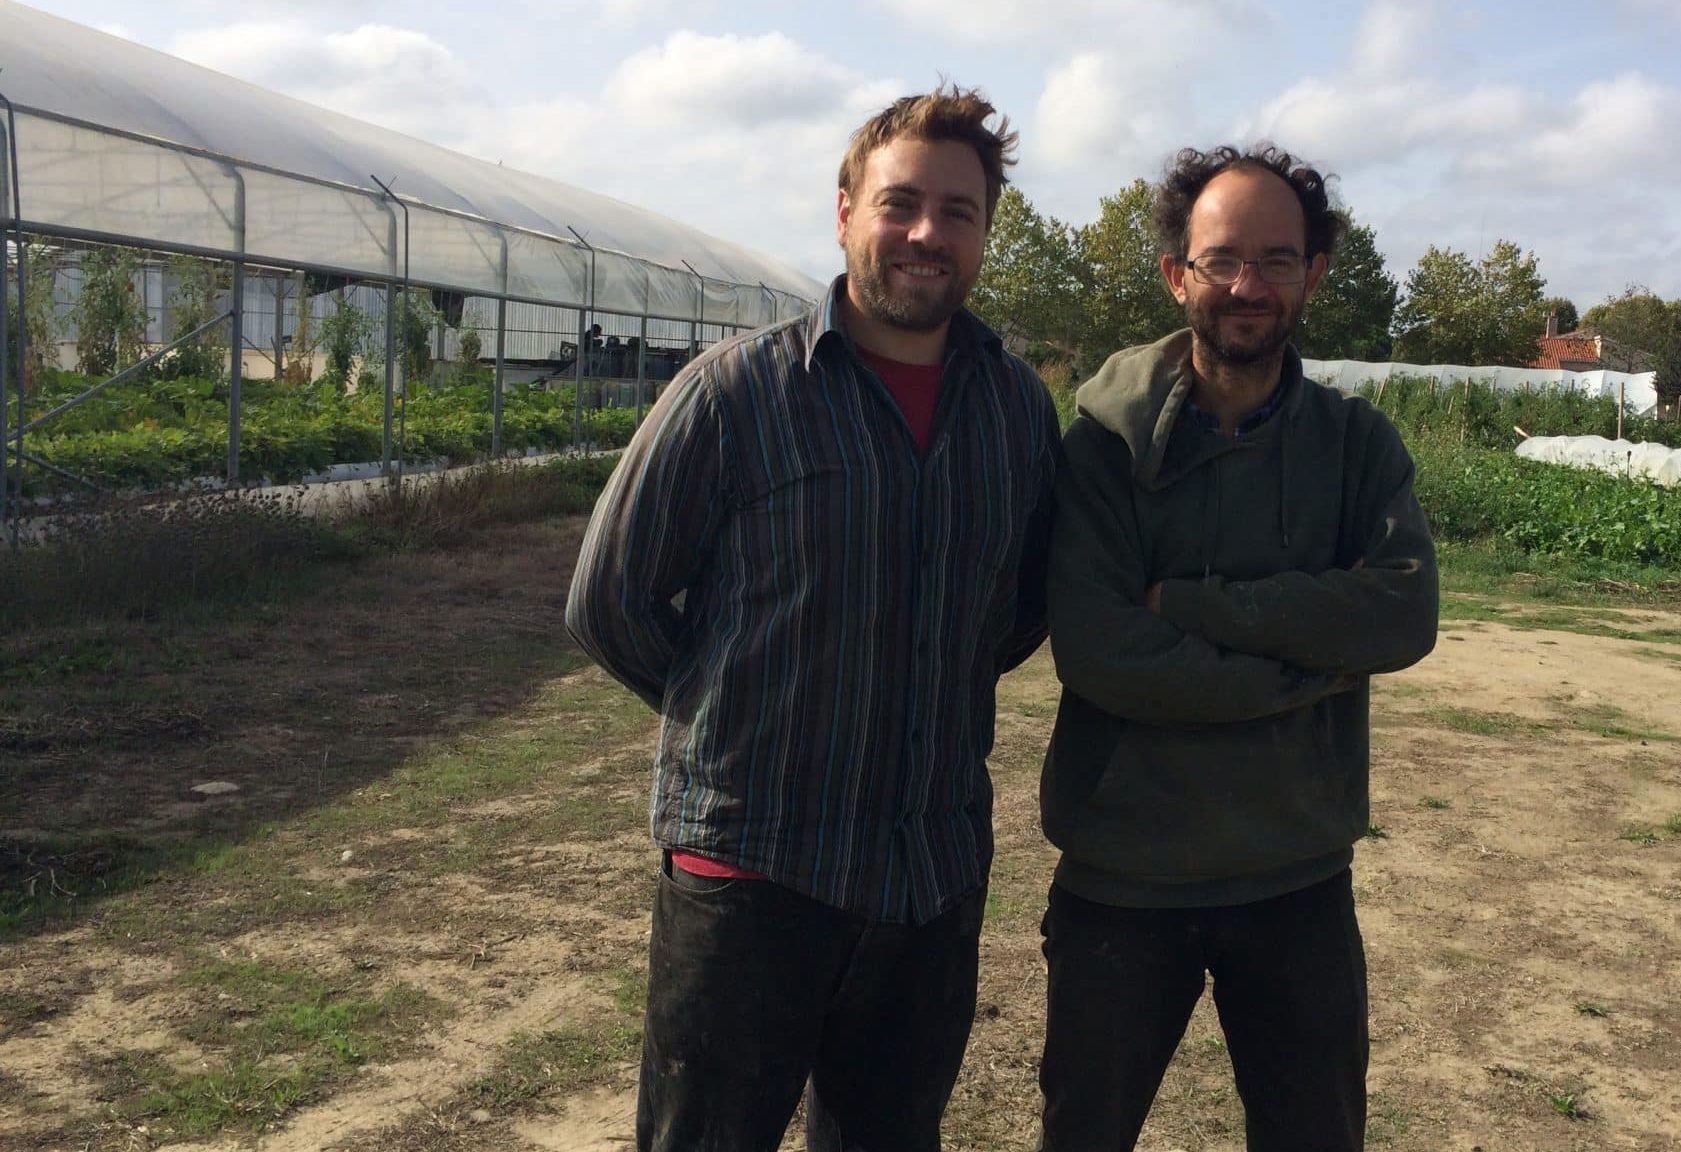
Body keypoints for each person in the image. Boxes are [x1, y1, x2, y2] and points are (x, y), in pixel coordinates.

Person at [564, 85, 1058, 1152]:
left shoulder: (1016, 409)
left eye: (958, 211)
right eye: (899, 203)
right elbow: (609, 599)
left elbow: (1015, 611)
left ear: (984, 233)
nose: (926, 233)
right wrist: (734, 722)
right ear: (845, 214)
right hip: (752, 878)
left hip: (928, 878)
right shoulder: (735, 394)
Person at [1036, 144, 1439, 1151]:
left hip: (1295, 875)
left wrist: (1191, 606)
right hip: (1123, 874)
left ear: (1313, 274)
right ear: (1177, 274)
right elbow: (1099, 651)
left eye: (1276, 260)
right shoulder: (1101, 448)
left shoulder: (1357, 446)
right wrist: (1307, 668)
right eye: (1221, 259)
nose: (1248, 286)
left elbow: (1400, 614)